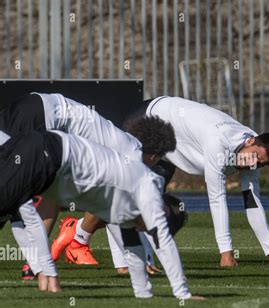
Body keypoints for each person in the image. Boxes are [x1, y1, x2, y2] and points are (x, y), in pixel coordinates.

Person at [1, 128, 199, 299]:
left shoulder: (129, 210)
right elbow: (162, 240)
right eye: (150, 226)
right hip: (46, 153)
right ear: (162, 213)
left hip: (44, 159)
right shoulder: (149, 185)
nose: (143, 230)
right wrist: (183, 294)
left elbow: (133, 250)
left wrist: (143, 293)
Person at [0, 93, 170, 276]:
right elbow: (118, 210)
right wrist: (138, 260)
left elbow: (115, 209)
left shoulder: (125, 149)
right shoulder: (133, 156)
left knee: (44, 193)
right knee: (15, 197)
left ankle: (33, 266)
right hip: (45, 114)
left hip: (39, 109)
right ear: (153, 156)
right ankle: (36, 265)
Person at [124, 96, 269, 267]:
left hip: (170, 142)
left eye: (260, 163)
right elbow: (217, 199)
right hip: (147, 119)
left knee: (153, 199)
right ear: (250, 141)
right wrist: (226, 254)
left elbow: (252, 203)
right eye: (255, 156)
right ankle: (120, 259)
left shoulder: (253, 152)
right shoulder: (218, 142)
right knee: (128, 192)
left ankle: (139, 258)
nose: (253, 164)